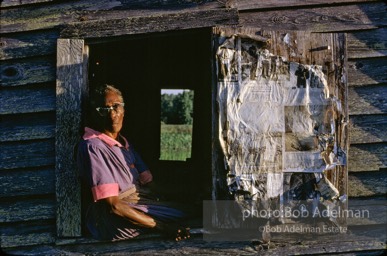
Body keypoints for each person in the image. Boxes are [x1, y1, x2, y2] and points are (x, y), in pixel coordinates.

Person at [77, 84, 190, 241]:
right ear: (95, 115)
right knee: (194, 216)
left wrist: (188, 194)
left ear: (124, 110)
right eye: (104, 110)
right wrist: (163, 228)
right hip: (115, 219)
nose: (112, 115)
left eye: (116, 107)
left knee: (192, 208)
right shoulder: (93, 146)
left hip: (138, 203)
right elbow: (113, 206)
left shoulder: (124, 144)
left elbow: (151, 184)